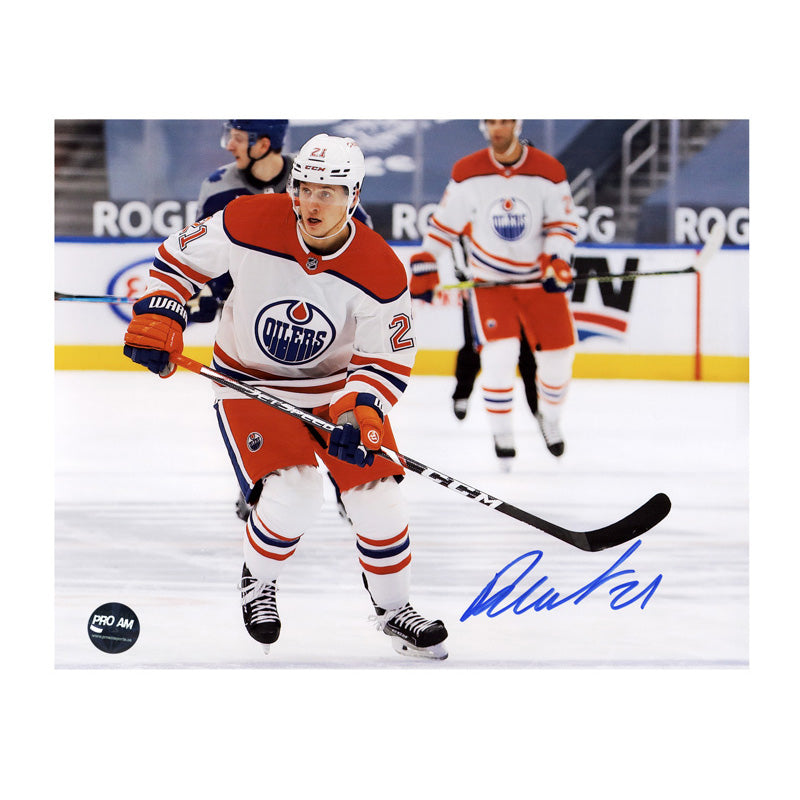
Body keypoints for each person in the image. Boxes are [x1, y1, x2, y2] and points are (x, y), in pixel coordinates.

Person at [122, 134, 448, 661]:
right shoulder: (247, 219)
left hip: (338, 391)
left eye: (328, 191)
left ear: (355, 195)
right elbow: (177, 262)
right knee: (294, 491)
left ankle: (395, 611)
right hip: (248, 385)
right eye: (305, 188)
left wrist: (361, 411)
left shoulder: (381, 267)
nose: (312, 202)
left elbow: (384, 359)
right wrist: (161, 312)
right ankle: (259, 581)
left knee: (379, 500)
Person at [189, 120, 372, 522]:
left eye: (238, 137)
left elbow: (358, 243)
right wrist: (201, 294)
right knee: (258, 404)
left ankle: (351, 483)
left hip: (320, 326)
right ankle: (263, 479)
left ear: (264, 142)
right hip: (260, 317)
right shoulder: (219, 186)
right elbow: (206, 248)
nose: (230, 145)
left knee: (339, 410)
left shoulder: (314, 177)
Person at [410, 119, 578, 470]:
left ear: (516, 123)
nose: (497, 128)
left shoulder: (549, 170)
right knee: (500, 354)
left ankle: (550, 417)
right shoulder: (467, 171)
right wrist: (426, 259)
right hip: (491, 282)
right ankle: (502, 434)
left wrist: (557, 259)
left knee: (559, 358)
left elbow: (561, 223)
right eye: (490, 121)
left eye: (503, 120)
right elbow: (444, 224)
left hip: (538, 282)